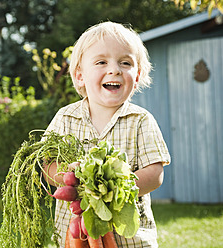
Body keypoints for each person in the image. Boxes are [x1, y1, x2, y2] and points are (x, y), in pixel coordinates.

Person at [43, 21, 171, 248]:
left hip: (132, 240)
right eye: (101, 62)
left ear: (138, 75)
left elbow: (155, 173)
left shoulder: (140, 120)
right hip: (75, 238)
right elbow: (48, 166)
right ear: (80, 76)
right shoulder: (65, 118)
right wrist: (74, 183)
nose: (115, 69)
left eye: (125, 62)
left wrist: (115, 190)